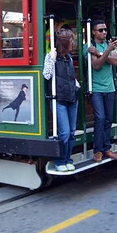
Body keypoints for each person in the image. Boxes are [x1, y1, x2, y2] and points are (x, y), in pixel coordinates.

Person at [83, 20, 117, 163]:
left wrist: (99, 53)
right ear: (93, 32)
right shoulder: (88, 46)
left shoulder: (107, 45)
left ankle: (106, 148)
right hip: (96, 88)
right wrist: (105, 53)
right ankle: (97, 150)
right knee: (100, 118)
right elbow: (96, 65)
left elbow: (116, 62)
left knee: (108, 119)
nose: (104, 32)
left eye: (105, 30)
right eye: (100, 30)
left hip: (110, 88)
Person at [43, 28, 80, 172]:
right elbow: (46, 75)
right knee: (64, 133)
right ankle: (60, 161)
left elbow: (70, 76)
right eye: (71, 41)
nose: (73, 43)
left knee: (71, 132)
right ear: (65, 43)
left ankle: (68, 159)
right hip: (59, 99)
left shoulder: (68, 57)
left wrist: (77, 85)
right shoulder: (51, 56)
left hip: (72, 97)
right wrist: (52, 58)